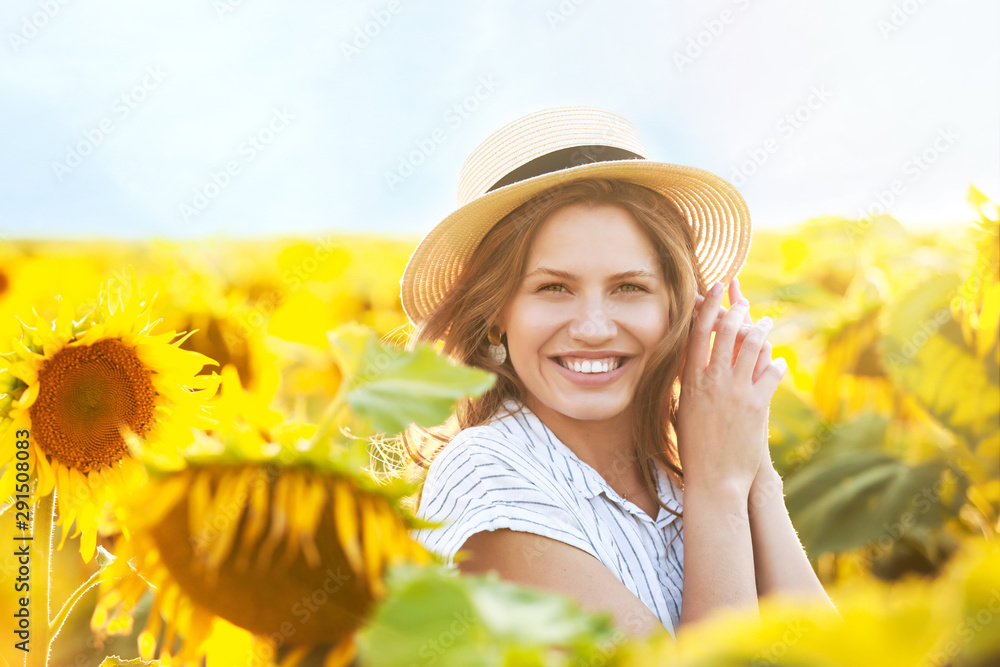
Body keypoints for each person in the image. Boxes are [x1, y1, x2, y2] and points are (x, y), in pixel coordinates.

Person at [398, 106, 835, 641]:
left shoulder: (676, 470)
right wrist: (720, 490)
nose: (593, 327)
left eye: (629, 287)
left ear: (680, 309)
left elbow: (832, 651)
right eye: (553, 288)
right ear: (495, 318)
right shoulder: (491, 481)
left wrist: (751, 465)